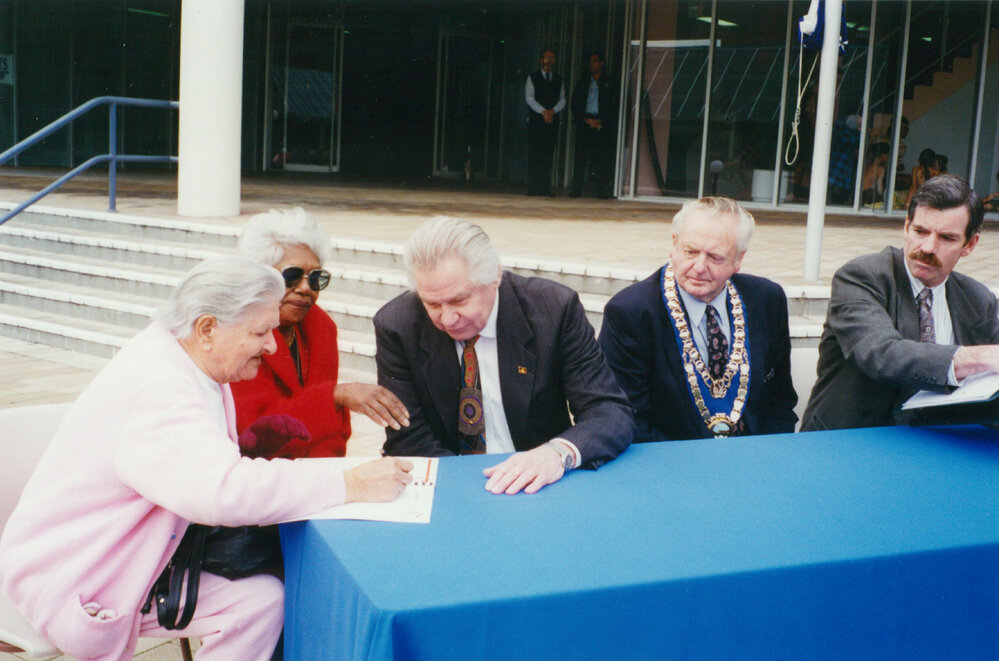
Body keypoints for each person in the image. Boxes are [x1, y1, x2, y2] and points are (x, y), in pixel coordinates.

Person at [0, 256, 413, 661]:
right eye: (260, 332)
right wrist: (350, 483)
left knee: (260, 600)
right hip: (80, 576)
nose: (271, 345)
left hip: (126, 551)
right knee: (267, 592)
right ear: (208, 328)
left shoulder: (183, 354)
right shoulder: (159, 385)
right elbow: (223, 492)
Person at [374, 216, 633, 495]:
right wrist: (479, 489)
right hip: (451, 487)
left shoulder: (554, 309)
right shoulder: (397, 325)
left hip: (540, 483)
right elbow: (408, 439)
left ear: (495, 276)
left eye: (460, 300)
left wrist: (556, 453)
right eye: (432, 303)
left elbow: (609, 412)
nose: (447, 319)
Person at [801, 175, 999, 431]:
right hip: (851, 441)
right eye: (920, 231)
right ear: (906, 227)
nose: (927, 247)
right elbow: (881, 354)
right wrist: (977, 357)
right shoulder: (861, 277)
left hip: (941, 443)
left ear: (969, 244)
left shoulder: (978, 299)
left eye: (946, 238)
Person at [599, 197, 797, 441]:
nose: (699, 266)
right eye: (690, 251)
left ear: (739, 259)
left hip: (753, 458)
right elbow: (629, 419)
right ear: (673, 244)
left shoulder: (767, 300)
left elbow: (780, 401)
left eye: (715, 257)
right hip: (672, 464)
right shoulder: (631, 313)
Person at [232, 208, 409, 457]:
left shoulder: (321, 328)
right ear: (258, 276)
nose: (306, 289)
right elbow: (252, 434)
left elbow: (335, 431)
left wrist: (329, 476)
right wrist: (335, 396)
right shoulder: (237, 330)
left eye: (316, 278)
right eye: (291, 276)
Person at [569, 50, 617, 199]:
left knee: (601, 158)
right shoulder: (583, 82)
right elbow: (575, 103)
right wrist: (584, 119)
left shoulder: (609, 82)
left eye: (595, 61)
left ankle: (601, 190)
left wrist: (601, 121)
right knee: (580, 157)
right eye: (590, 61)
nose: (592, 64)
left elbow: (614, 104)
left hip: (601, 124)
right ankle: (575, 190)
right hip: (585, 122)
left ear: (602, 63)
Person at [525, 48, 566, 197]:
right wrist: (544, 111)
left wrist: (552, 111)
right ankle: (533, 187)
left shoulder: (558, 79)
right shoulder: (532, 77)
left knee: (547, 154)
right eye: (546, 58)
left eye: (552, 58)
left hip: (551, 121)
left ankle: (544, 188)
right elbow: (529, 98)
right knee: (534, 153)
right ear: (541, 60)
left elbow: (563, 99)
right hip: (537, 121)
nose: (548, 61)